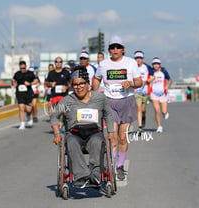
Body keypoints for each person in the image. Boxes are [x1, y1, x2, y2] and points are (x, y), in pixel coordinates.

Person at [51, 66, 114, 188]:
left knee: (97, 142)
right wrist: (57, 134)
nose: (78, 87)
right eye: (75, 84)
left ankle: (95, 175)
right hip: (74, 134)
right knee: (71, 142)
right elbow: (54, 116)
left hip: (94, 132)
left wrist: (111, 131)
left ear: (88, 84)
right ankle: (81, 176)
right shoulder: (67, 101)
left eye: (81, 83)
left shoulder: (100, 98)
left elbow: (108, 114)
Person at [92, 35, 142, 181]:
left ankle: (120, 165)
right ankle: (112, 166)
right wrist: (94, 94)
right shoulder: (103, 64)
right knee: (112, 137)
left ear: (123, 49)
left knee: (122, 137)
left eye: (118, 47)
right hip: (109, 101)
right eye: (112, 47)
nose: (115, 50)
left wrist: (131, 83)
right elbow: (96, 79)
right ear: (109, 50)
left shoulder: (131, 63)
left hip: (126, 101)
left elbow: (140, 82)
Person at [45, 57, 71, 133]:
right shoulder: (51, 73)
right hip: (54, 95)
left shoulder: (66, 72)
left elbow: (71, 82)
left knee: (64, 113)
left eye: (60, 62)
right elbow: (46, 83)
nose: (58, 63)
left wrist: (66, 87)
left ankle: (64, 125)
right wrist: (50, 84)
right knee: (57, 113)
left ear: (62, 63)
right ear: (55, 63)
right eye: (56, 61)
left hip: (64, 96)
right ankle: (59, 127)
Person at [147, 57, 172, 133]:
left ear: (160, 65)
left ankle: (165, 113)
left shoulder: (164, 71)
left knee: (163, 112)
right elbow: (147, 81)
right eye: (154, 64)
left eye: (157, 64)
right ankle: (159, 126)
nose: (156, 65)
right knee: (157, 111)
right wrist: (150, 79)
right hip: (154, 94)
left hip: (163, 94)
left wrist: (167, 86)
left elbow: (170, 80)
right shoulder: (151, 72)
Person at [12, 61, 38, 130]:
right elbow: (13, 80)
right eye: (21, 68)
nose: (22, 69)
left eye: (24, 68)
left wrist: (30, 83)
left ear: (26, 66)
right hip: (20, 93)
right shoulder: (17, 74)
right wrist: (14, 83)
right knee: (21, 107)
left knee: (28, 109)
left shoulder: (30, 73)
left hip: (28, 93)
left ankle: (29, 116)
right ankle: (22, 123)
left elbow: (36, 80)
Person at [133, 51, 154, 134]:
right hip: (136, 91)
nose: (138, 60)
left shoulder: (147, 67)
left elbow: (153, 76)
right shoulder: (132, 67)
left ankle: (143, 118)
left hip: (145, 91)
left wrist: (147, 81)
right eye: (137, 58)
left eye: (140, 58)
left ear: (143, 59)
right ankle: (140, 127)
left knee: (143, 110)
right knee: (138, 108)